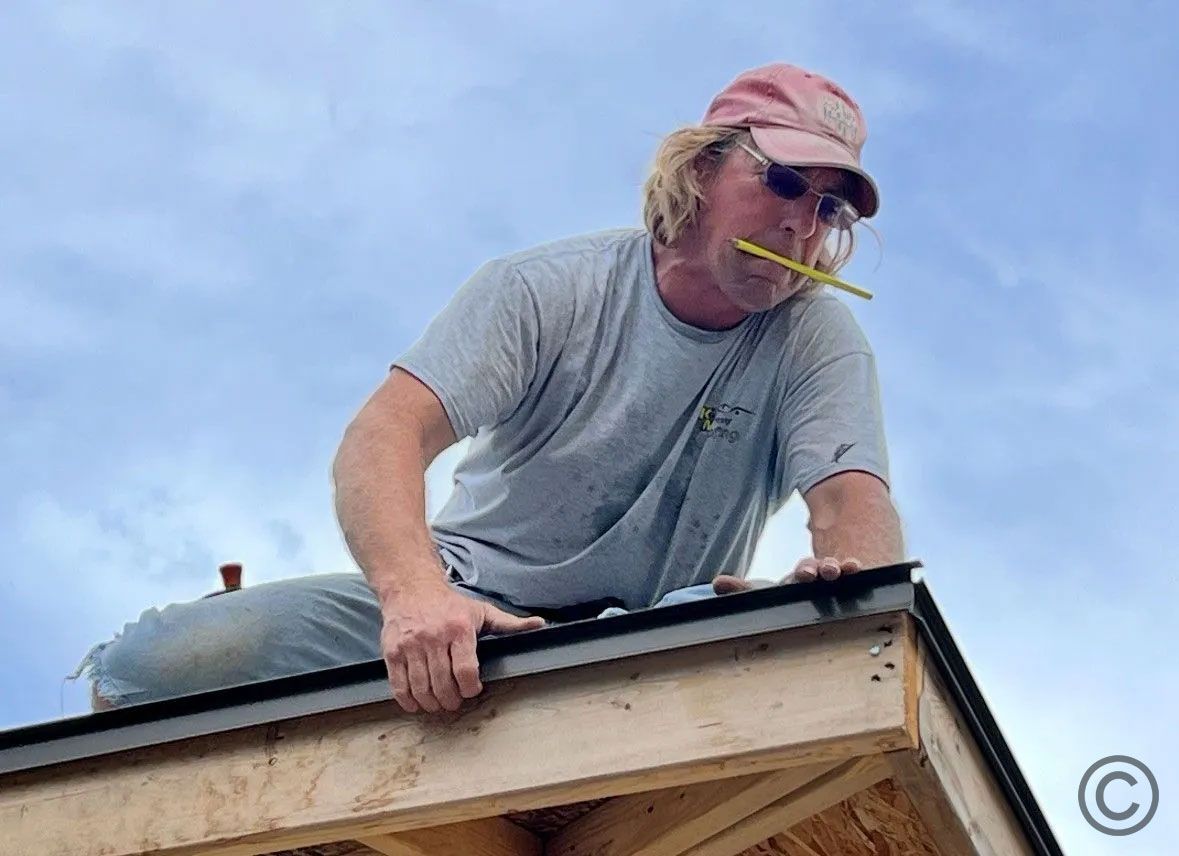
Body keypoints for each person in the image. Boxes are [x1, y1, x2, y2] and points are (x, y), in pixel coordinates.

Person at [76, 62, 904, 716]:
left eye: (831, 207)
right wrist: (416, 601)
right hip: (464, 610)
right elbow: (386, 435)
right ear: (702, 164)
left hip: (655, 633)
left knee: (751, 635)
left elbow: (849, 504)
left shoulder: (814, 337)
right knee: (150, 666)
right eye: (786, 183)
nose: (804, 223)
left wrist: (845, 596)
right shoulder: (545, 289)